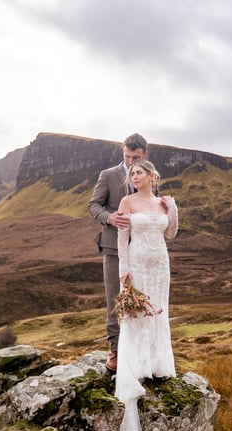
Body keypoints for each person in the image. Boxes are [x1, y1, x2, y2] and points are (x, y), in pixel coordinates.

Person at [114, 159, 178, 431]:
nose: (134, 176)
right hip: (138, 263)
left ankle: (156, 362)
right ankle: (136, 363)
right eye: (132, 173)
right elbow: (122, 239)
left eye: (140, 172)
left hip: (161, 264)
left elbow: (171, 233)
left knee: (159, 312)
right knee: (139, 314)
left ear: (153, 176)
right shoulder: (127, 203)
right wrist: (123, 270)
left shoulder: (162, 202)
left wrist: (172, 210)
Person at [87, 133, 148, 373]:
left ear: (144, 155)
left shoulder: (149, 177)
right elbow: (93, 205)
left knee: (142, 297)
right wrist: (109, 218)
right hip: (113, 247)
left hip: (141, 247)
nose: (130, 162)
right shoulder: (108, 175)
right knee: (115, 298)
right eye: (127, 156)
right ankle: (115, 351)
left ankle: (140, 350)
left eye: (136, 157)